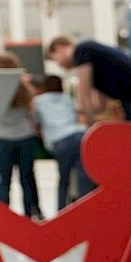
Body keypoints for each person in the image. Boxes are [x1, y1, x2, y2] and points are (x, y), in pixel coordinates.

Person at [45, 36, 131, 141]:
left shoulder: (81, 50)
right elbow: (100, 106)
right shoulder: (92, 61)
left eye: (55, 60)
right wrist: (75, 111)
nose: (59, 65)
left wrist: (89, 128)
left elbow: (83, 95)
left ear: (58, 48)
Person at [0, 53, 43, 220]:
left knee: (3, 180)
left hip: (2, 139)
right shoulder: (25, 89)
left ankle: (3, 215)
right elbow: (32, 115)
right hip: (25, 137)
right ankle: (31, 212)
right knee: (27, 178)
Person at [31, 74, 94, 211]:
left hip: (60, 142)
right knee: (83, 178)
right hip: (80, 136)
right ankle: (87, 211)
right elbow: (76, 116)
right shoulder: (67, 99)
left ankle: (61, 212)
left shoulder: (38, 101)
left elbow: (34, 123)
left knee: (63, 180)